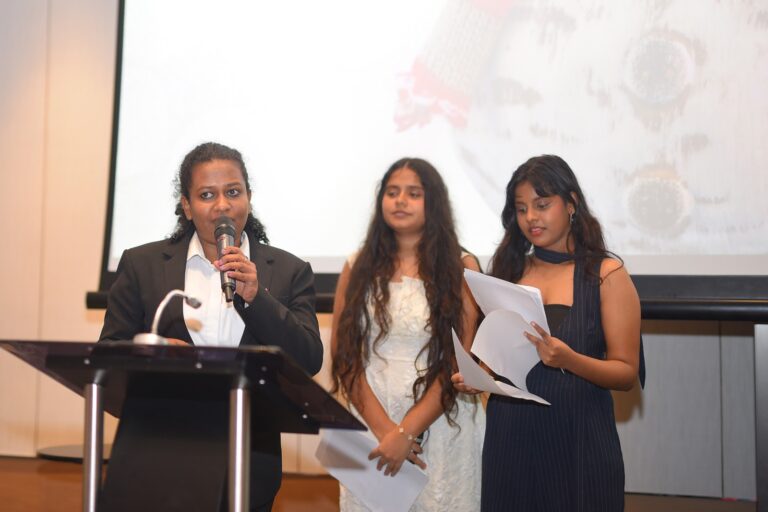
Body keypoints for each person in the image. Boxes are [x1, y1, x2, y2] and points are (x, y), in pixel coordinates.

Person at [99, 142, 323, 511]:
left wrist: (257, 298)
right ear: (187, 206)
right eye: (206, 195)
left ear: (249, 197)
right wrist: (156, 353)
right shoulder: (142, 264)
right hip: (158, 449)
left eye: (233, 192)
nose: (222, 205)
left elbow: (309, 358)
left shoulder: (288, 271)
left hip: (248, 458)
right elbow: (109, 351)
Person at [453, 155, 644, 511]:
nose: (531, 217)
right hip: (510, 438)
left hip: (578, 442)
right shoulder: (509, 271)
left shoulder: (606, 274)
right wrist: (479, 377)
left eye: (542, 205)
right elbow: (498, 357)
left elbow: (626, 373)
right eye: (521, 208)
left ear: (571, 204)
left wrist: (569, 360)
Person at [331, 157, 485, 511]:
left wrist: (406, 432)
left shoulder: (462, 266)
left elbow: (458, 364)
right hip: (370, 422)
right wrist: (386, 431)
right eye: (392, 192)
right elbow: (345, 355)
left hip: (443, 424)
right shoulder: (357, 264)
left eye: (413, 193)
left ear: (434, 202)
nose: (400, 200)